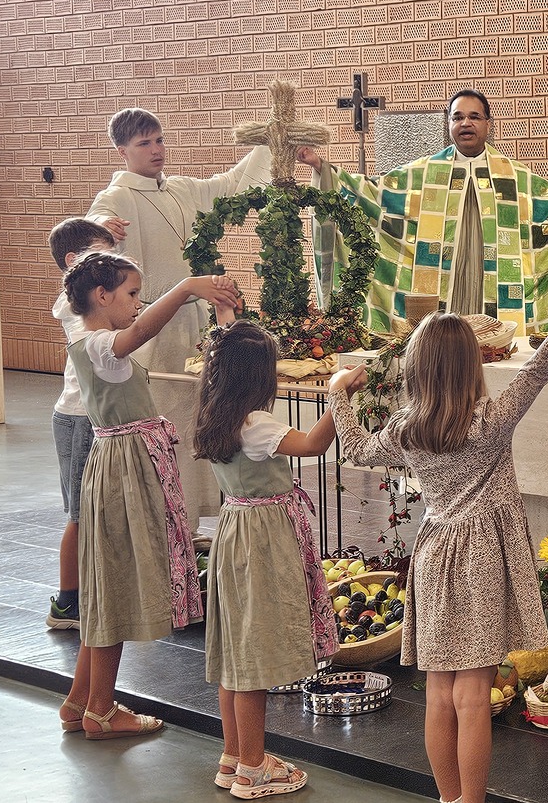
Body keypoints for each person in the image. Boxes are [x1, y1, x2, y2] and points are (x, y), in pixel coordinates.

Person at [328, 294, 548, 803]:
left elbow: (356, 448)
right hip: (481, 563)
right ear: (472, 366)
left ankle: (450, 799)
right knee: (471, 697)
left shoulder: (406, 429)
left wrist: (339, 393)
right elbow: (541, 364)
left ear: (416, 370)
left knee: (438, 694)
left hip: (433, 557)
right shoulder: (491, 420)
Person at [57, 251, 238, 740]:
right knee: (117, 584)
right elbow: (137, 333)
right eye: (132, 293)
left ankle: (80, 700)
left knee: (107, 583)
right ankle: (101, 709)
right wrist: (186, 288)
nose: (138, 303)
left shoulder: (88, 340)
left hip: (119, 464)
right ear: (101, 295)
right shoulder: (100, 344)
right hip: (124, 470)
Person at [86, 108, 281, 532]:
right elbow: (96, 221)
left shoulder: (180, 189)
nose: (156, 150)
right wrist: (102, 225)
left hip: (195, 321)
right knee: (168, 424)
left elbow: (232, 184)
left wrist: (270, 140)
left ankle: (193, 526)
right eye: (144, 144)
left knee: (200, 418)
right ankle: (168, 525)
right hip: (155, 327)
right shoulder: (118, 196)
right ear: (122, 151)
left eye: (159, 140)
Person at [303, 90, 548, 335]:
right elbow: (374, 195)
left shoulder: (514, 177)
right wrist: (322, 169)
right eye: (458, 117)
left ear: (488, 124)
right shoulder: (425, 173)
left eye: (474, 116)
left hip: (493, 287)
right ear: (449, 124)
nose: (466, 123)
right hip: (443, 287)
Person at [195, 318, 343, 798]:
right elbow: (314, 444)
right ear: (257, 377)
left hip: (233, 531)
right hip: (260, 541)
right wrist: (339, 394)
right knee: (254, 660)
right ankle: (254, 768)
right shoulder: (256, 425)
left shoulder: (214, 414)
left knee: (235, 655)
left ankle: (233, 756)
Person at [44, 218, 118, 631]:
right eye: (101, 259)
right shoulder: (75, 308)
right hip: (79, 417)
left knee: (89, 512)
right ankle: (67, 602)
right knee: (79, 514)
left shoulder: (86, 296)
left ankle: (87, 592)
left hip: (84, 415)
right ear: (74, 263)